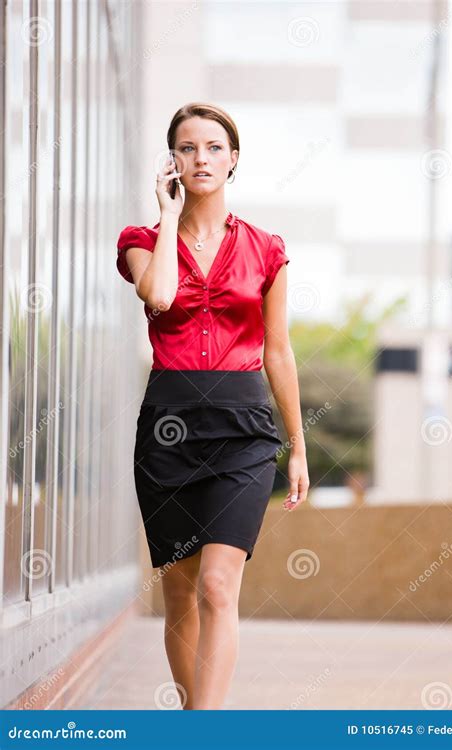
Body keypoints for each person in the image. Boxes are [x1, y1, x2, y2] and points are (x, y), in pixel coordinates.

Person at [116, 102, 309, 710]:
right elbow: (162, 297)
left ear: (233, 160)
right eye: (187, 148)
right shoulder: (140, 243)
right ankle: (192, 713)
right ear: (171, 160)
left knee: (219, 586)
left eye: (214, 148)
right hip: (169, 428)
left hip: (244, 427)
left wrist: (298, 446)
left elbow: (278, 351)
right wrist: (170, 218)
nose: (201, 159)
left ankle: (207, 730)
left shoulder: (267, 250)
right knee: (179, 591)